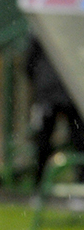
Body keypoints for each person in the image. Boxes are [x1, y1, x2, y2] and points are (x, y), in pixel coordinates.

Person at [25, 33, 84, 187]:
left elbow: (29, 64)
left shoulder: (42, 30)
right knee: (50, 140)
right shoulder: (46, 30)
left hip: (58, 93)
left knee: (45, 140)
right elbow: (29, 64)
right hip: (65, 92)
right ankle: (78, 183)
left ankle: (39, 185)